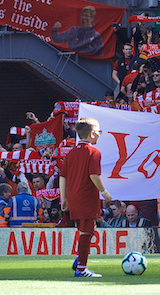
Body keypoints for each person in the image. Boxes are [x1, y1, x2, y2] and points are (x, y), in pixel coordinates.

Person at [60, 117, 113, 277]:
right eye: (98, 131)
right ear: (91, 134)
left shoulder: (70, 153)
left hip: (73, 197)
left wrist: (64, 198)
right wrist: (104, 192)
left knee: (86, 230)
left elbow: (63, 177)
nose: (99, 134)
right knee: (86, 232)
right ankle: (82, 268)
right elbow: (94, 175)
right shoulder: (94, 152)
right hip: (86, 197)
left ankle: (79, 259)